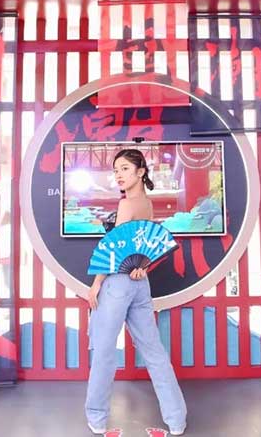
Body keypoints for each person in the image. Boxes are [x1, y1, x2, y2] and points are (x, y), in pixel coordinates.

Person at [85, 148, 187, 435]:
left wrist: (97, 283)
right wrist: (143, 267)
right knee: (154, 352)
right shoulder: (146, 204)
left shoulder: (126, 205)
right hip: (141, 283)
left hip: (117, 283)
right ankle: (176, 420)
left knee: (104, 351)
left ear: (141, 172)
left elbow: (114, 247)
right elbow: (141, 248)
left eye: (125, 169)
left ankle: (97, 418)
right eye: (116, 170)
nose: (118, 175)